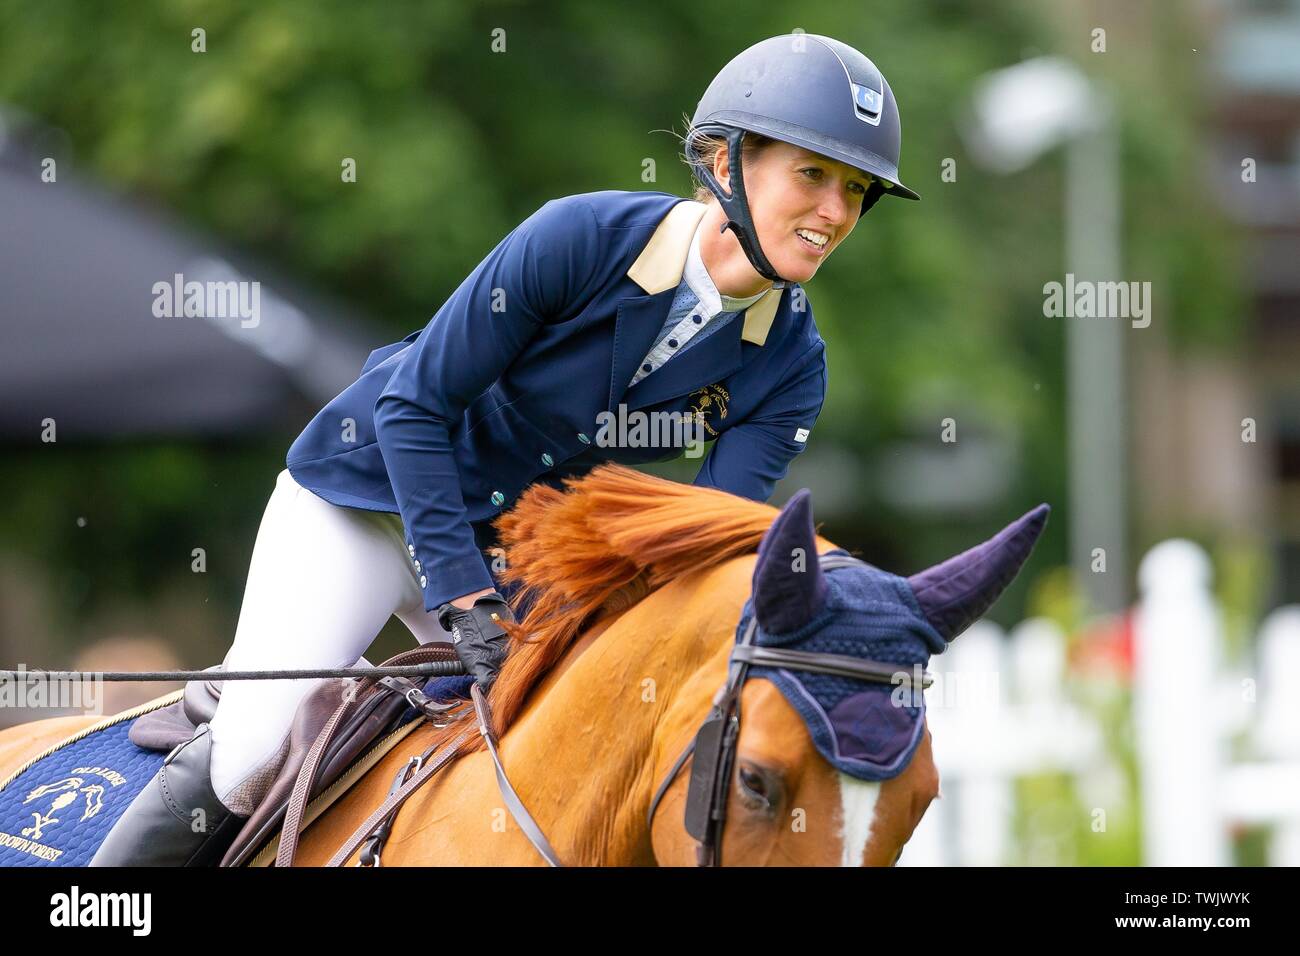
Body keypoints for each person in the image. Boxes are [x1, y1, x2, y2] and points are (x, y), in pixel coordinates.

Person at [89, 32, 919, 866]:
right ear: (726, 160)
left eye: (855, 190)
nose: (835, 214)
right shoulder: (580, 238)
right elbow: (414, 406)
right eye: (812, 175)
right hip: (364, 498)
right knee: (251, 757)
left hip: (519, 552)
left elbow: (694, 548)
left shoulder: (792, 368)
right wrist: (461, 595)